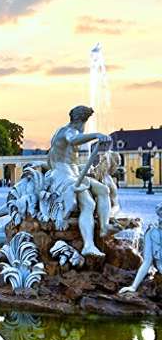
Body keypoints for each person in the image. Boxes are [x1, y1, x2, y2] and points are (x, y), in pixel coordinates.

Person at [47, 105, 112, 257]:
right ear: (82, 121)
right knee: (88, 203)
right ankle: (88, 245)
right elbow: (74, 140)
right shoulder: (68, 131)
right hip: (62, 175)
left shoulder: (65, 131)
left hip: (74, 173)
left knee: (104, 190)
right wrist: (96, 134)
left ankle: (104, 228)